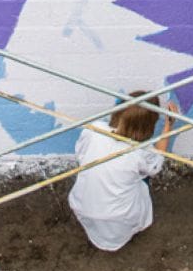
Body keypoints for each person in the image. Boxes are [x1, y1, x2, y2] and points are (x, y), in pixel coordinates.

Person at [68, 91, 180, 251]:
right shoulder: (140, 152)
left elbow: (80, 153)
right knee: (145, 174)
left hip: (82, 207)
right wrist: (169, 125)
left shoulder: (94, 130)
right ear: (148, 125)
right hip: (118, 218)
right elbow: (155, 166)